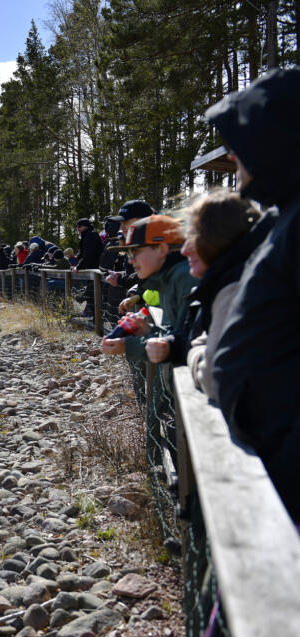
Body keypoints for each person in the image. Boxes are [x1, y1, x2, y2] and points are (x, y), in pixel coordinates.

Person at [207, 68, 300, 520]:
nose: (232, 156)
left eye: (240, 142)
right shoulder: (287, 219)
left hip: (285, 467)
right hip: (268, 460)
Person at [170, 192, 267, 400]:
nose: (184, 250)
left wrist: (193, 353)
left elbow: (213, 376)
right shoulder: (239, 277)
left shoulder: (234, 289)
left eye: (193, 238)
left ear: (218, 239)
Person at [100, 215, 196, 366]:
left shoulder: (185, 278)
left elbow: (191, 343)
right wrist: (147, 330)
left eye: (135, 251)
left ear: (162, 249)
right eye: (128, 253)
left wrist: (129, 345)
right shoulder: (166, 279)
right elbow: (176, 335)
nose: (130, 260)